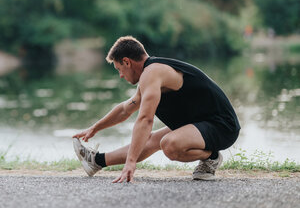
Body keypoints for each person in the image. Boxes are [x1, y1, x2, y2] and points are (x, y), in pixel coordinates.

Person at [73, 36, 240, 182]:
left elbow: (146, 119)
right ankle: (96, 161)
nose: (121, 75)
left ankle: (211, 157)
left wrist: (131, 162)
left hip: (222, 126)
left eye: (119, 69)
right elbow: (125, 109)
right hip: (200, 122)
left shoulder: (152, 73)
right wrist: (95, 128)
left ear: (127, 61)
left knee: (169, 144)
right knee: (152, 140)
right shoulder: (150, 74)